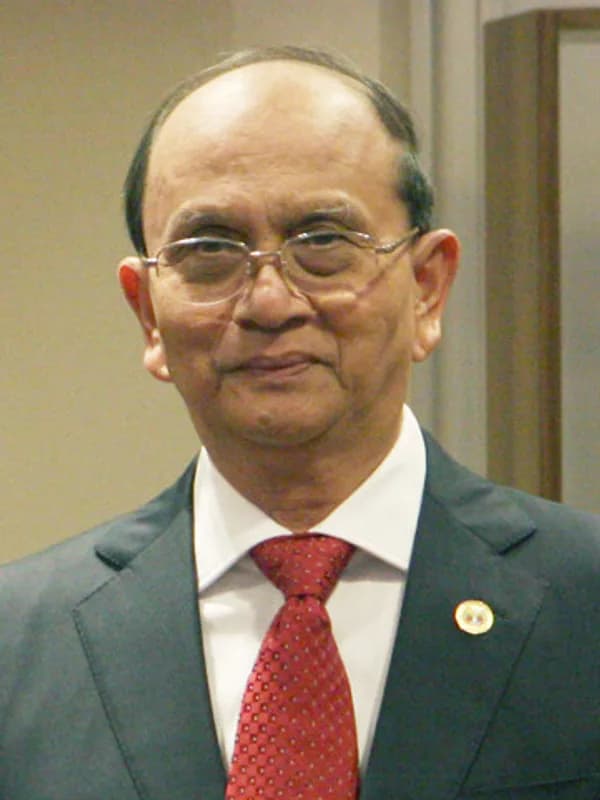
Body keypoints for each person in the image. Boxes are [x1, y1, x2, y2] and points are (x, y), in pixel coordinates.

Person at [1, 46, 599, 800]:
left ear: (426, 288)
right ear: (148, 313)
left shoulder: (584, 604)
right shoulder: (20, 643)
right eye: (209, 250)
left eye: (323, 243)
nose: (269, 302)